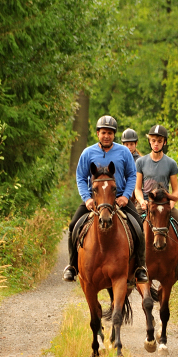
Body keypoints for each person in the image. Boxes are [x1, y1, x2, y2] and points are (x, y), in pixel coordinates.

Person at [63, 115, 149, 284]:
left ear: (114, 134)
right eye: (103, 132)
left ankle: (140, 267)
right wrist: (87, 199)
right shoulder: (88, 153)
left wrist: (125, 196)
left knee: (138, 226)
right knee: (73, 226)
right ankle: (72, 266)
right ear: (98, 134)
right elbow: (80, 177)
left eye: (110, 133)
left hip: (118, 200)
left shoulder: (124, 152)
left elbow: (132, 175)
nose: (106, 136)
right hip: (95, 199)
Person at [134, 124, 178, 286]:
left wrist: (172, 203)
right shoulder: (141, 162)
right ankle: (132, 269)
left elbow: (176, 189)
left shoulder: (171, 163)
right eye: (153, 140)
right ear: (150, 142)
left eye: (159, 141)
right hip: (146, 204)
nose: (156, 143)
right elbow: (137, 189)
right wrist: (141, 201)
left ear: (164, 142)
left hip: (164, 206)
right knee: (131, 230)